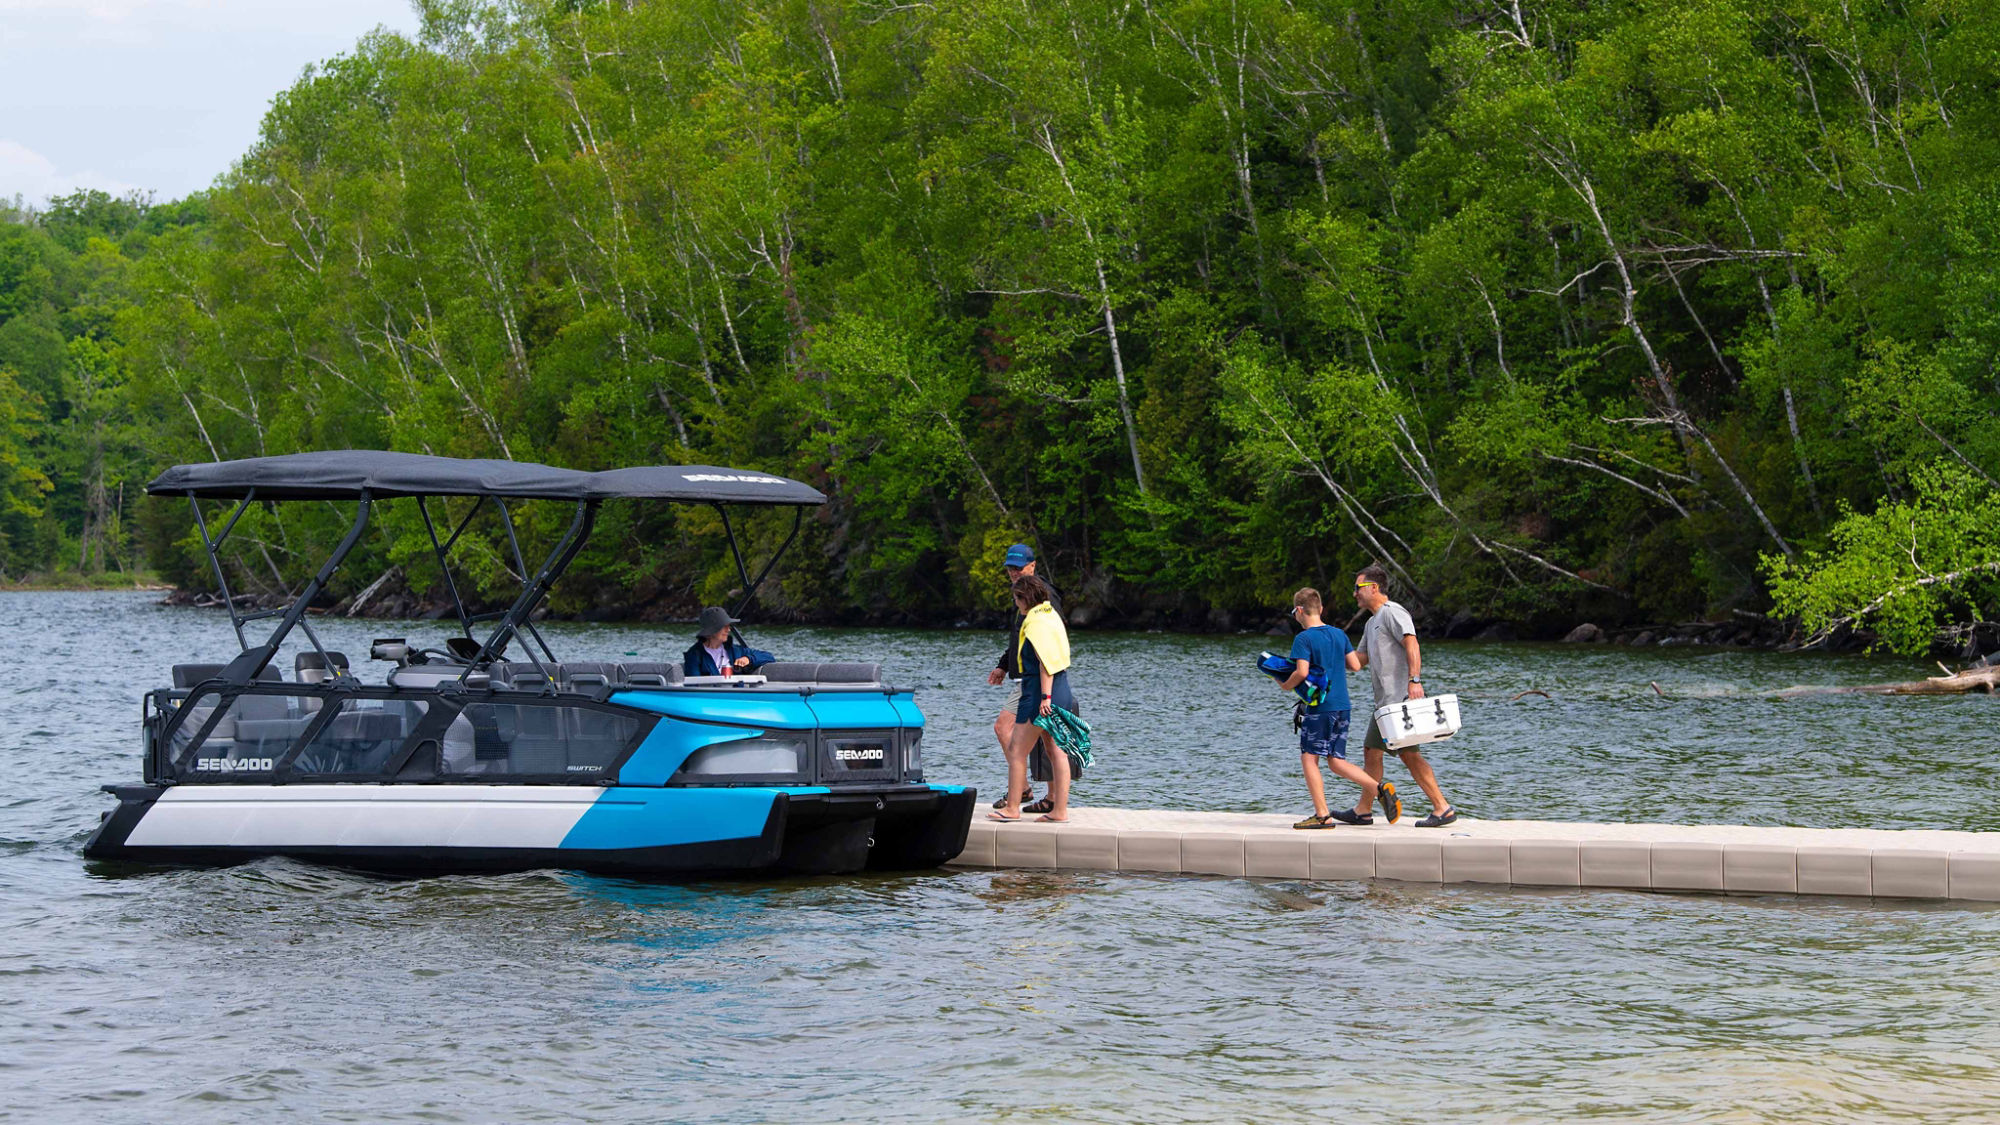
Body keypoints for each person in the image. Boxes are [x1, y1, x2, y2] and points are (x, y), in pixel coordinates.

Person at [1347, 564, 1457, 827]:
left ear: (1374, 587)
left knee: (1409, 755)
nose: (1355, 594)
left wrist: (1414, 680)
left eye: (1358, 588)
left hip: (1400, 703)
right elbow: (1358, 661)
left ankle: (1442, 808)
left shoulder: (1392, 612)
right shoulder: (1372, 622)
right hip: (1385, 705)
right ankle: (1363, 810)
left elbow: (1412, 643)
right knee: (1372, 751)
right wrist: (1327, 655)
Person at [1278, 587, 1386, 830]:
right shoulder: (1339, 634)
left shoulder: (1303, 639)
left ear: (1299, 611)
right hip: (1342, 706)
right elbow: (1356, 665)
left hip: (1320, 708)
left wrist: (1286, 685)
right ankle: (1378, 788)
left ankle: (1322, 815)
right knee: (1336, 760)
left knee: (1309, 757)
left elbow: (1302, 672)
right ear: (1321, 609)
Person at [989, 573, 1076, 823]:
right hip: (1063, 689)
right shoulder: (1051, 615)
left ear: (1025, 598)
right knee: (1055, 750)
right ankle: (1059, 811)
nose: (1016, 605)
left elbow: (1045, 663)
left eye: (1017, 599)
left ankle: (1012, 808)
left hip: (1040, 692)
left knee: (1017, 751)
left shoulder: (1036, 624)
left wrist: (1044, 698)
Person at [985, 543, 1058, 813]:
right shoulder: (1022, 595)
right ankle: (1051, 798)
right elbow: (1021, 637)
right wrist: (1003, 666)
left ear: (1033, 566)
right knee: (1047, 738)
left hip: (1036, 678)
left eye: (1019, 567)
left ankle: (1022, 792)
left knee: (1004, 728)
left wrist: (1046, 685)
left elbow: (1049, 636)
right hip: (1024, 678)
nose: (1014, 572)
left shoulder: (1042, 594)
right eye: (1010, 569)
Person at [681, 606, 777, 678]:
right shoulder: (694, 655)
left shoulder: (735, 651)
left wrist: (748, 659)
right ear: (712, 630)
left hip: (737, 700)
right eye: (724, 626)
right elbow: (694, 687)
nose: (729, 630)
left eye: (729, 626)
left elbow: (769, 657)